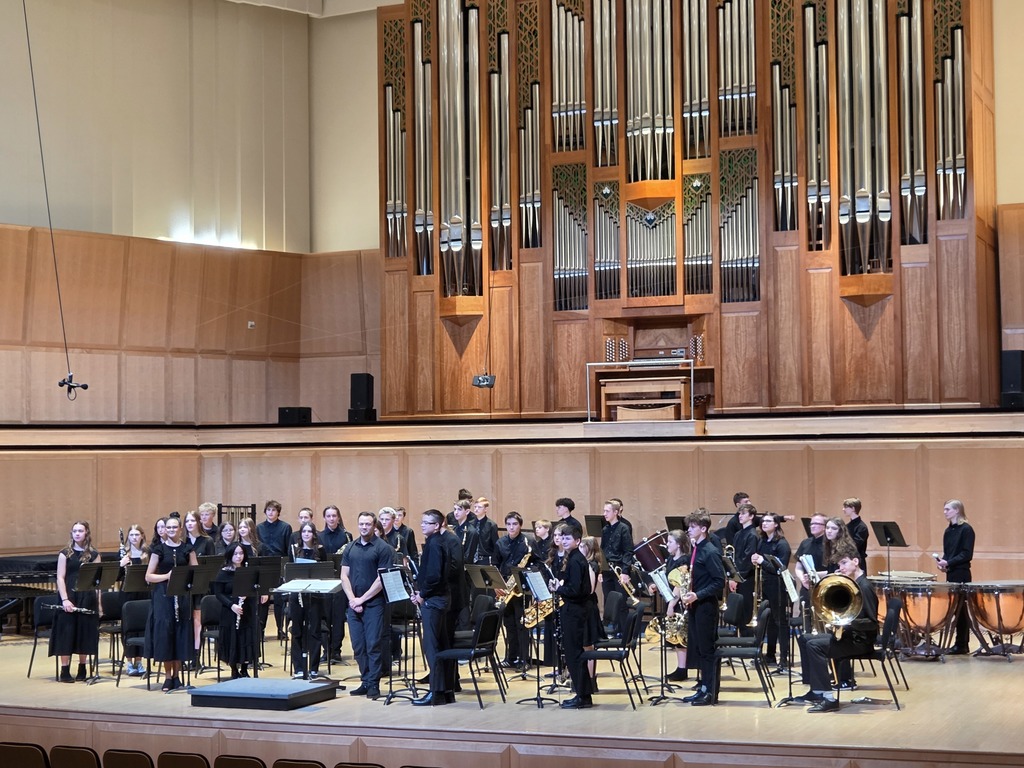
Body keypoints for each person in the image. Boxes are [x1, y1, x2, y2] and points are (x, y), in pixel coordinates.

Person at [794, 545, 878, 712]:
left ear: (856, 561)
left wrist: (846, 622)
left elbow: (872, 623)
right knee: (805, 638)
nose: (841, 568)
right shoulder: (852, 583)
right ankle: (817, 691)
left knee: (814, 645)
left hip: (860, 642)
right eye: (839, 565)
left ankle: (828, 698)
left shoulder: (865, 587)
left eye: (844, 563)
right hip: (849, 637)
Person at [340, 511, 394, 700]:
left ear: (374, 526)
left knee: (373, 645)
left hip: (374, 604)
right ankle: (365, 681)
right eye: (361, 524)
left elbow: (381, 580)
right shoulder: (350, 547)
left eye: (368, 524)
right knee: (358, 646)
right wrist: (352, 599)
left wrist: (361, 600)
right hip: (353, 604)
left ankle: (374, 684)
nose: (364, 527)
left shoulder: (383, 548)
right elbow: (344, 576)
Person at [145, 515, 198, 691]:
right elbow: (149, 576)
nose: (171, 530)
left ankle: (178, 675)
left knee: (180, 634)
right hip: (163, 596)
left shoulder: (187, 549)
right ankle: (168, 676)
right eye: (168, 528)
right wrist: (167, 577)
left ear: (181, 529)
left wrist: (186, 579)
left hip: (182, 596)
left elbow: (195, 572)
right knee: (166, 634)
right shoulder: (158, 550)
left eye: (174, 527)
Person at [680, 508, 725, 706]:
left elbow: (719, 581)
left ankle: (710, 692)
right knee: (699, 649)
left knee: (707, 650)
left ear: (704, 529)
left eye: (693, 527)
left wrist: (697, 594)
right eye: (689, 527)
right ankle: (703, 688)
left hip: (706, 606)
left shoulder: (710, 551)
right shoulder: (696, 548)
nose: (689, 530)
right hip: (696, 606)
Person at [411, 509, 454, 705]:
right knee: (441, 645)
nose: (422, 525)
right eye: (422, 522)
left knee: (432, 647)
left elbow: (435, 576)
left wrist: (422, 594)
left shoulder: (435, 544)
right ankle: (445, 691)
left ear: (437, 525)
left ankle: (435, 692)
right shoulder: (437, 542)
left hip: (434, 601)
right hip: (440, 599)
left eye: (427, 523)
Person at [549, 525, 594, 708]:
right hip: (574, 610)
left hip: (574, 611)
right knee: (575, 654)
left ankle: (582, 696)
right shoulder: (574, 558)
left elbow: (575, 590)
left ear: (577, 541)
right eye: (563, 538)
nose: (565, 541)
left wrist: (558, 588)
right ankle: (583, 695)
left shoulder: (575, 560)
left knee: (574, 654)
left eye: (568, 538)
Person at [50, 521, 101, 683]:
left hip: (87, 596)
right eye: (74, 531)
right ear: (71, 534)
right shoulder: (65, 553)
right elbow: (60, 577)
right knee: (67, 632)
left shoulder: (94, 555)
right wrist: (65, 599)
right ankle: (65, 669)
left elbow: (97, 580)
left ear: (87, 533)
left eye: (80, 531)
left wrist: (99, 604)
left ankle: (82, 667)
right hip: (69, 596)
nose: (77, 533)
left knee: (84, 632)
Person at [751, 512, 792, 673]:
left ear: (776, 524)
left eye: (768, 521)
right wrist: (755, 560)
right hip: (766, 585)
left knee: (780, 621)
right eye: (763, 521)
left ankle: (784, 658)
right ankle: (770, 655)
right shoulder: (762, 541)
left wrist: (761, 561)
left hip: (779, 586)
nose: (764, 523)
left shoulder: (782, 544)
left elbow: (780, 569)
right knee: (769, 621)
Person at [212, 543, 259, 679]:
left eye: (241, 554)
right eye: (236, 554)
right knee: (233, 638)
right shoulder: (223, 572)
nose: (239, 556)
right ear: (230, 555)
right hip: (230, 611)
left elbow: (256, 587)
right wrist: (232, 605)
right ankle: (234, 668)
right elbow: (219, 594)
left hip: (246, 609)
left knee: (246, 637)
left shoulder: (248, 571)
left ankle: (244, 668)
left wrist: (249, 593)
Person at [936, 499, 975, 655]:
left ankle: (962, 644)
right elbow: (948, 553)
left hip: (962, 573)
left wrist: (949, 562)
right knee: (955, 610)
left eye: (947, 509)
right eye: (944, 509)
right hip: (952, 573)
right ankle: (958, 643)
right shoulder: (948, 531)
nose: (945, 512)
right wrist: (944, 564)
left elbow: (967, 554)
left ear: (957, 510)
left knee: (961, 611)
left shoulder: (966, 529)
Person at [289, 521, 326, 678]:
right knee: (297, 631)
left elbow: (325, 573)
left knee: (315, 631)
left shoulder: (320, 550)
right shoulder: (294, 550)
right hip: (297, 595)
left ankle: (313, 667)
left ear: (314, 534)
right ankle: (298, 667)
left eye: (309, 531)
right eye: (304, 531)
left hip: (314, 596)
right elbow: (289, 571)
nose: (306, 534)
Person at [494, 511, 530, 671]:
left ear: (520, 525)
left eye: (514, 524)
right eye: (508, 524)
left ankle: (524, 659)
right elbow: (495, 565)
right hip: (505, 587)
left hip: (521, 588)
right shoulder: (500, 543)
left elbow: (536, 565)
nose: (511, 527)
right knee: (509, 624)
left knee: (521, 624)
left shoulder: (528, 543)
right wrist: (497, 585)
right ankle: (511, 657)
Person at [319, 504, 353, 664]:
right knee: (325, 616)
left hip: (341, 581)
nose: (332, 518)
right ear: (325, 518)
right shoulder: (319, 537)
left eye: (334, 515)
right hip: (324, 581)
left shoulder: (347, 536)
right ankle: (326, 650)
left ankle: (336, 650)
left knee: (338, 617)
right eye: (329, 516)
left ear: (338, 518)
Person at [183, 510, 215, 669]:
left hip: (201, 588)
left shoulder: (207, 541)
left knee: (197, 623)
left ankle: (196, 657)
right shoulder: (181, 541)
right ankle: (184, 656)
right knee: (184, 622)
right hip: (183, 588)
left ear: (198, 522)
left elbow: (211, 568)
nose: (189, 524)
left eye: (192, 521)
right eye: (187, 521)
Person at [118, 524, 150, 677]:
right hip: (128, 595)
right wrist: (121, 565)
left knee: (143, 627)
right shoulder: (124, 554)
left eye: (137, 535)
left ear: (142, 536)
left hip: (144, 593)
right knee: (128, 628)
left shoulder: (147, 554)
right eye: (131, 535)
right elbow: (116, 577)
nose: (134, 538)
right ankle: (129, 662)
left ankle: (139, 661)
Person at [256, 500, 292, 640]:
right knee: (263, 598)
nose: (271, 512)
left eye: (274, 510)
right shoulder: (259, 528)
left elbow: (288, 549)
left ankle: (280, 629)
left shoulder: (285, 527)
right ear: (265, 511)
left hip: (279, 564)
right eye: (268, 510)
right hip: (264, 565)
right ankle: (261, 630)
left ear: (278, 512)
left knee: (279, 599)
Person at [660, 529, 691, 682]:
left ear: (678, 545)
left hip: (679, 602)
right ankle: (681, 667)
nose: (667, 544)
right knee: (675, 636)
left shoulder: (683, 560)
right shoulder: (671, 559)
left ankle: (682, 669)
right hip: (672, 599)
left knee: (680, 635)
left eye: (670, 542)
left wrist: (671, 604)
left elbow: (679, 585)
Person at [793, 514, 827, 633]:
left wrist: (814, 575)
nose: (812, 526)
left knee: (823, 623)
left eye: (816, 524)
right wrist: (803, 579)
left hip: (824, 588)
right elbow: (798, 567)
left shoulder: (829, 544)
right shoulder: (805, 543)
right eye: (811, 523)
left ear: (824, 527)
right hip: (807, 587)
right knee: (807, 621)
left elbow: (833, 570)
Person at [729, 503, 759, 634]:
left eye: (743, 514)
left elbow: (748, 559)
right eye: (739, 514)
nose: (740, 516)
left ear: (751, 516)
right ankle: (739, 637)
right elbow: (735, 557)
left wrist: (737, 577)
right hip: (737, 577)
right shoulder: (738, 534)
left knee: (746, 609)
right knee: (738, 610)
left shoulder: (752, 534)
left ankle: (746, 641)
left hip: (746, 578)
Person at [599, 499, 635, 602]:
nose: (604, 514)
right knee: (608, 600)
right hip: (607, 570)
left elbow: (628, 551)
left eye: (607, 511)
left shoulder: (624, 528)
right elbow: (603, 550)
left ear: (615, 512)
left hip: (619, 568)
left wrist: (625, 571)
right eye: (604, 511)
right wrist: (601, 570)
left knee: (620, 601)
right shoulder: (605, 530)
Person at [842, 498, 870, 565]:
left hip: (858, 562)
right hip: (848, 560)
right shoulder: (847, 526)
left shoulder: (861, 527)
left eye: (846, 507)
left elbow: (855, 545)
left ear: (853, 509)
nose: (843, 509)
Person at [472, 497, 499, 565]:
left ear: (485, 509)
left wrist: (493, 561)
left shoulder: (491, 525)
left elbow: (495, 545)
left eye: (479, 507)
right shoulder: (470, 524)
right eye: (475, 507)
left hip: (485, 560)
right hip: (471, 559)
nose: (476, 509)